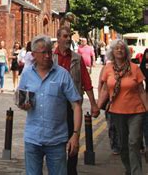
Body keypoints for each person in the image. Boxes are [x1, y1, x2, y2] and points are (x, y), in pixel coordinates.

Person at [18, 35, 82, 175]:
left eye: (49, 52)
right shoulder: (27, 74)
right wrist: (23, 105)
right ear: (34, 54)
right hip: (33, 138)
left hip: (56, 140)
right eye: (43, 53)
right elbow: (20, 98)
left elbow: (76, 105)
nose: (47, 56)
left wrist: (75, 135)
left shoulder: (62, 74)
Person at [54, 26, 100, 175]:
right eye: (65, 36)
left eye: (69, 36)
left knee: (73, 138)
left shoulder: (76, 58)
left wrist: (93, 104)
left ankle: (71, 170)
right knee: (56, 139)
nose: (68, 39)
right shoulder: (51, 58)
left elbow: (86, 82)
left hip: (73, 106)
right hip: (55, 104)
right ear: (59, 38)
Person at [97, 39, 147, 175]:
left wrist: (147, 107)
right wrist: (98, 106)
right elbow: (105, 90)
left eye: (122, 48)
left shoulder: (134, 68)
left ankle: (137, 172)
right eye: (116, 48)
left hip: (136, 111)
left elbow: (141, 90)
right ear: (112, 52)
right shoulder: (107, 69)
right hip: (117, 112)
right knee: (123, 145)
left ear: (126, 52)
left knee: (134, 142)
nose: (119, 50)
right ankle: (129, 170)